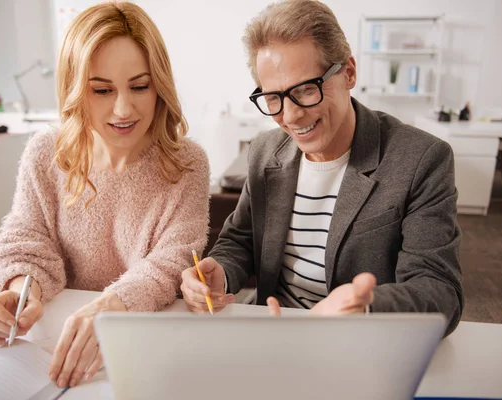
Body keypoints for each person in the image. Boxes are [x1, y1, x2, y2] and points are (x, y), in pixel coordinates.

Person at [181, 0, 463, 335]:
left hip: (359, 343)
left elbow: (440, 291)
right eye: (273, 97)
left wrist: (366, 307)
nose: (290, 116)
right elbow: (240, 240)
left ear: (349, 72)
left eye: (305, 89)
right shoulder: (263, 152)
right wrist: (221, 273)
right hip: (273, 332)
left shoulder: (421, 159)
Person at [0, 2, 210, 389]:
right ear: (74, 90)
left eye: (139, 86)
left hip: (145, 344)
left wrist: (110, 306)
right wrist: (21, 290)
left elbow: (170, 262)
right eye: (101, 90)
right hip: (52, 342)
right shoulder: (46, 153)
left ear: (160, 85)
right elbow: (25, 239)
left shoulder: (187, 163)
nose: (123, 108)